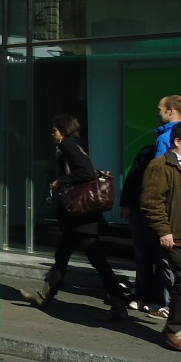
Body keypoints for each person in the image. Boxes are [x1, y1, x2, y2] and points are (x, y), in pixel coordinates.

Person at [20, 114, 130, 319]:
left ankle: (118, 304)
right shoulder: (73, 145)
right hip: (77, 218)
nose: (52, 135)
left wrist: (60, 181)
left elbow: (86, 173)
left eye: (54, 131)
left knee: (98, 262)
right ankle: (45, 296)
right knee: (61, 256)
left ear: (63, 132)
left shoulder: (68, 147)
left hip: (82, 218)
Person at [139, 120, 181, 352]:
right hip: (179, 234)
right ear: (178, 142)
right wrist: (164, 230)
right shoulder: (162, 165)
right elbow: (151, 202)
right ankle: (173, 330)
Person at [120, 140, 169, 317]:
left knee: (159, 259)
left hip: (159, 214)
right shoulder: (148, 153)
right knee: (144, 257)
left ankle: (156, 299)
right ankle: (145, 296)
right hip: (142, 210)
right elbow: (133, 178)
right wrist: (126, 202)